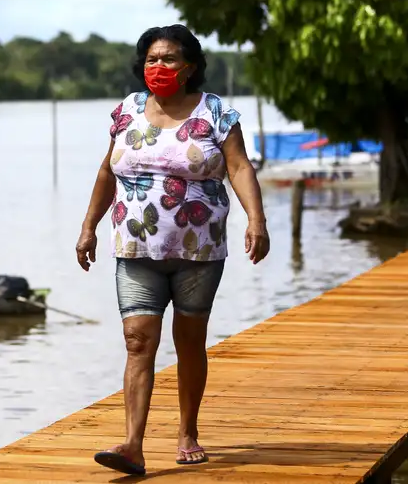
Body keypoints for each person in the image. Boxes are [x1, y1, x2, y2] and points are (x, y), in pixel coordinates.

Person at [75, 24, 270, 476]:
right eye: (151, 59)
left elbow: (239, 168)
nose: (158, 67)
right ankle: (132, 445)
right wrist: (88, 227)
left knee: (189, 342)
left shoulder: (217, 112)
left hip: (197, 252)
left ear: (192, 67)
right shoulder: (127, 110)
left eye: (168, 59)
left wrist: (256, 220)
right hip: (134, 247)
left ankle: (187, 433)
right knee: (138, 341)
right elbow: (108, 172)